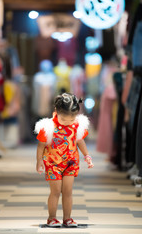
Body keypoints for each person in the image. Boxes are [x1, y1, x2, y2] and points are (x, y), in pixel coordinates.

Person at [35, 93, 94, 227]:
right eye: (64, 120)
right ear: (55, 112)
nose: (68, 123)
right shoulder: (48, 126)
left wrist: (87, 156)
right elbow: (40, 146)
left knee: (68, 192)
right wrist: (39, 161)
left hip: (71, 163)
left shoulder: (77, 125)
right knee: (55, 192)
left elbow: (80, 141)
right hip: (52, 164)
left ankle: (67, 218)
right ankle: (52, 218)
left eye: (72, 119)